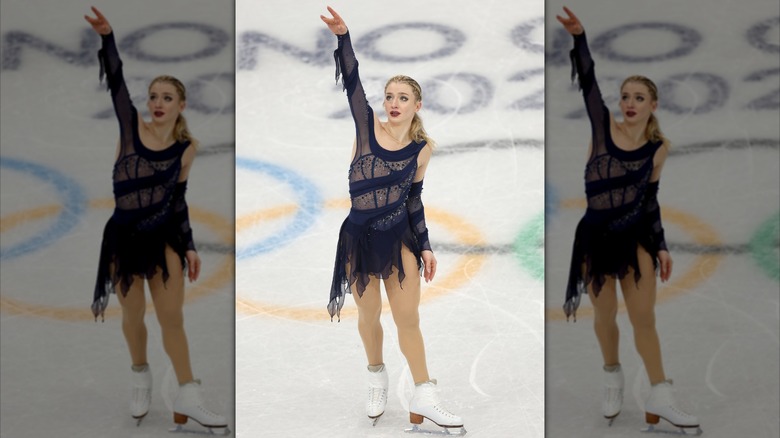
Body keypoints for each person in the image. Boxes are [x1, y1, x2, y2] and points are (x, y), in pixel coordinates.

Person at [556, 6, 701, 434]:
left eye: (639, 97)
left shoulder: (660, 148)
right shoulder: (602, 127)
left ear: (653, 104)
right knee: (604, 318)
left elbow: (651, 201)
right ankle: (611, 374)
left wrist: (661, 245)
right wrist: (580, 38)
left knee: (644, 318)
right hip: (596, 238)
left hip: (635, 238)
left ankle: (661, 393)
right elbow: (588, 82)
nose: (630, 103)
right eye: (626, 96)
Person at [320, 6, 464, 434]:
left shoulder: (422, 150)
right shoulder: (366, 126)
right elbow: (352, 81)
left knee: (408, 319)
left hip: (399, 238)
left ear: (418, 104)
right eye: (389, 96)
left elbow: (415, 200)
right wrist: (343, 37)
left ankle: (424, 393)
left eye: (403, 97)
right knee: (368, 318)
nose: (393, 103)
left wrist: (425, 245)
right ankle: (376, 375)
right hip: (359, 238)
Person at [84, 7, 227, 432]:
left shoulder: (187, 148)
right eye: (153, 96)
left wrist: (189, 245)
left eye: (167, 97)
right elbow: (116, 82)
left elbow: (179, 201)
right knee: (132, 316)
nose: (157, 103)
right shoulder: (130, 127)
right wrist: (108, 37)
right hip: (124, 239)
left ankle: (189, 394)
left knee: (172, 319)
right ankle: (140, 375)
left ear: (181, 104)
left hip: (163, 238)